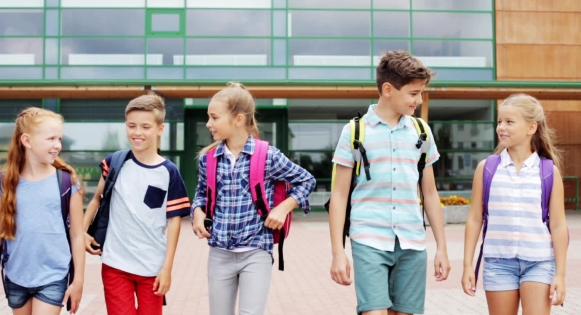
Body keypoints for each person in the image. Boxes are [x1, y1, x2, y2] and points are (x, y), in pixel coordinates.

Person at [329, 50, 450, 315]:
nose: (418, 100)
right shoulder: (355, 131)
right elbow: (338, 197)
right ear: (387, 89)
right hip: (368, 239)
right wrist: (338, 252)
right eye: (413, 93)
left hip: (412, 243)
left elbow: (429, 194)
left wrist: (442, 248)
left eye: (420, 93)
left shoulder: (422, 131)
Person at [191, 82, 316, 315]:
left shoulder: (267, 155)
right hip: (219, 252)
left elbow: (306, 180)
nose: (208, 124)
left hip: (256, 251)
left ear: (238, 119)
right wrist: (197, 212)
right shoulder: (208, 159)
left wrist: (283, 208)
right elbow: (200, 194)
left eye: (214, 118)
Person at [83, 94, 191, 315]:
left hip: (152, 267)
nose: (137, 132)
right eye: (131, 126)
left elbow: (174, 222)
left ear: (160, 129)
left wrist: (167, 268)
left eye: (145, 127)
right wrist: (82, 232)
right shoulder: (114, 162)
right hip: (115, 264)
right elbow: (96, 199)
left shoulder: (169, 172)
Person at [462, 93, 568, 314]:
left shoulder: (548, 172)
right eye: (500, 121)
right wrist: (467, 265)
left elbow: (558, 226)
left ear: (531, 128)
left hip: (539, 263)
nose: (502, 127)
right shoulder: (487, 168)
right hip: (497, 263)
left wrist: (560, 274)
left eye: (510, 122)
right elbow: (474, 219)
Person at [0, 107, 85, 315]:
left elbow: (77, 235)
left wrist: (78, 280)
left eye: (59, 139)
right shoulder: (3, 183)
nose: (57, 145)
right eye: (51, 139)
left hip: (53, 276)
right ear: (27, 141)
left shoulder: (68, 182)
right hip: (16, 277)